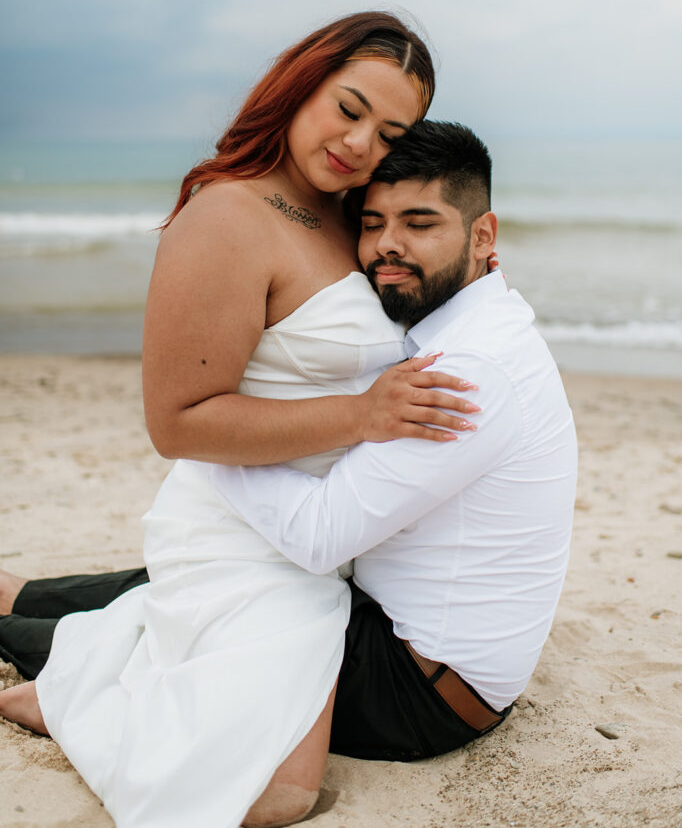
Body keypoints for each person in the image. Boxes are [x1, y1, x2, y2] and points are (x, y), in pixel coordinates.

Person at [0, 121, 577, 828]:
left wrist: (212, 439)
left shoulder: (466, 376)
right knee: (221, 574)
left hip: (417, 689)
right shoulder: (478, 324)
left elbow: (315, 539)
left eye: (419, 223)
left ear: (483, 236)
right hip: (411, 636)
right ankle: (21, 593)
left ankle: (43, 663)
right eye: (372, 223)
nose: (387, 245)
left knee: (226, 595)